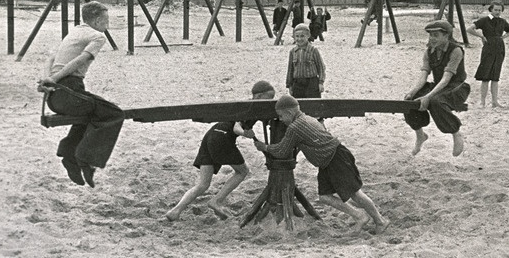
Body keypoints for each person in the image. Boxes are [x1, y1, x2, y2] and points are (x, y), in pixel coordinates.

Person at [253, 95, 390, 234]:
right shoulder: (308, 118)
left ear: (289, 113)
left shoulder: (295, 127)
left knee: (355, 194)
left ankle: (380, 221)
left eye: (281, 116)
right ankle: (359, 215)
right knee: (324, 197)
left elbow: (281, 151)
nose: (280, 120)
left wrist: (264, 147)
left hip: (336, 158)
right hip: (328, 161)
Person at [37, 1, 125, 188]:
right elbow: (80, 60)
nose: (107, 24)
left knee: (92, 111)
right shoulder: (98, 36)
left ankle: (70, 153)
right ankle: (85, 159)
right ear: (97, 20)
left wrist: (48, 79)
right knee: (114, 113)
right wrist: (55, 79)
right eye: (106, 20)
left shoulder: (75, 31)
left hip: (56, 97)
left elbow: (51, 58)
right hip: (69, 93)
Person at [165, 81, 277, 222]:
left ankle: (175, 210)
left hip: (211, 135)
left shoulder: (246, 105)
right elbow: (236, 127)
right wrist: (244, 133)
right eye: (269, 98)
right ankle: (217, 200)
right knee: (242, 171)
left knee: (203, 184)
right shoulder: (250, 107)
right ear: (259, 96)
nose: (271, 101)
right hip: (222, 137)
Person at [403, 20, 470, 157]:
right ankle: (420, 135)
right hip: (439, 85)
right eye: (430, 35)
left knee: (435, 101)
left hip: (456, 87)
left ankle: (456, 133)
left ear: (446, 36)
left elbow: (446, 79)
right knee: (410, 102)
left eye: (436, 35)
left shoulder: (456, 50)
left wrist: (428, 96)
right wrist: (412, 92)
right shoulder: (429, 52)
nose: (432, 39)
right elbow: (423, 76)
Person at [467, 0, 509, 108]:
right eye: (495, 10)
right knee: (485, 76)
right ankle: (482, 102)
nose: (497, 12)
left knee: (495, 76)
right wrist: (481, 36)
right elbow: (469, 29)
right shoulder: (484, 20)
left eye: (499, 10)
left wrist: (503, 37)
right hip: (488, 48)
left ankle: (494, 101)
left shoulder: (502, 21)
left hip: (500, 48)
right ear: (491, 10)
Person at [286, 23, 326, 98]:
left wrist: (321, 82)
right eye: (297, 36)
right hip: (297, 83)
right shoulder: (293, 52)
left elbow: (321, 68)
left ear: (308, 36)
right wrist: (289, 85)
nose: (299, 39)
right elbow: (290, 70)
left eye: (302, 36)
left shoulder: (313, 50)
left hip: (311, 83)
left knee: (313, 105)